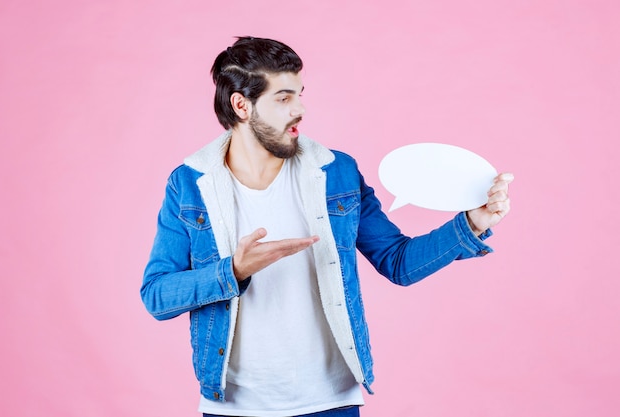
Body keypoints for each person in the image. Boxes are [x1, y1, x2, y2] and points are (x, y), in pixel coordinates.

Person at [141, 36, 513, 417]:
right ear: (242, 106)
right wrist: (233, 272)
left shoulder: (337, 173)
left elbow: (399, 262)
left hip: (331, 403)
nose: (300, 109)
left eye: (300, 95)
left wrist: (472, 223)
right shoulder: (189, 184)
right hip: (234, 407)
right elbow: (156, 296)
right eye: (284, 99)